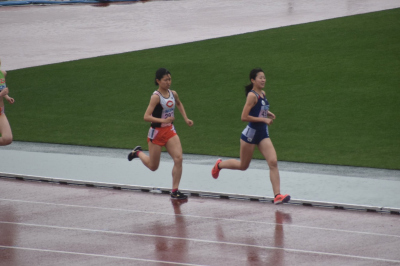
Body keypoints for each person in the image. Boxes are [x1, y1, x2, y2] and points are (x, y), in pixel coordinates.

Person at [211, 68, 290, 204]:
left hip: (263, 134)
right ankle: (219, 165)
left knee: (273, 162)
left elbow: (259, 109)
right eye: (260, 78)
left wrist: (268, 113)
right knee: (243, 165)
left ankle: (277, 195)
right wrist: (264, 120)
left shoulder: (263, 94)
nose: (263, 80)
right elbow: (244, 117)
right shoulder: (252, 95)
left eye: (264, 77)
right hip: (250, 135)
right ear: (253, 80)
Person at [128, 68, 193, 200]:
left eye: (170, 79)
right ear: (158, 81)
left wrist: (186, 119)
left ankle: (174, 191)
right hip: (156, 133)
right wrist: (163, 120)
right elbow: (146, 116)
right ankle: (138, 153)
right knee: (153, 166)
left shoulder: (173, 93)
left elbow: (179, 104)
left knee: (179, 158)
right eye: (165, 80)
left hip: (169, 131)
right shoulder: (156, 97)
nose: (168, 82)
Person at [0, 58, 14, 146]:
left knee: (7, 138)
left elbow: (1, 88)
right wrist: (1, 94)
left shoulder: (2, 73)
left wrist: (7, 96)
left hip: (0, 111)